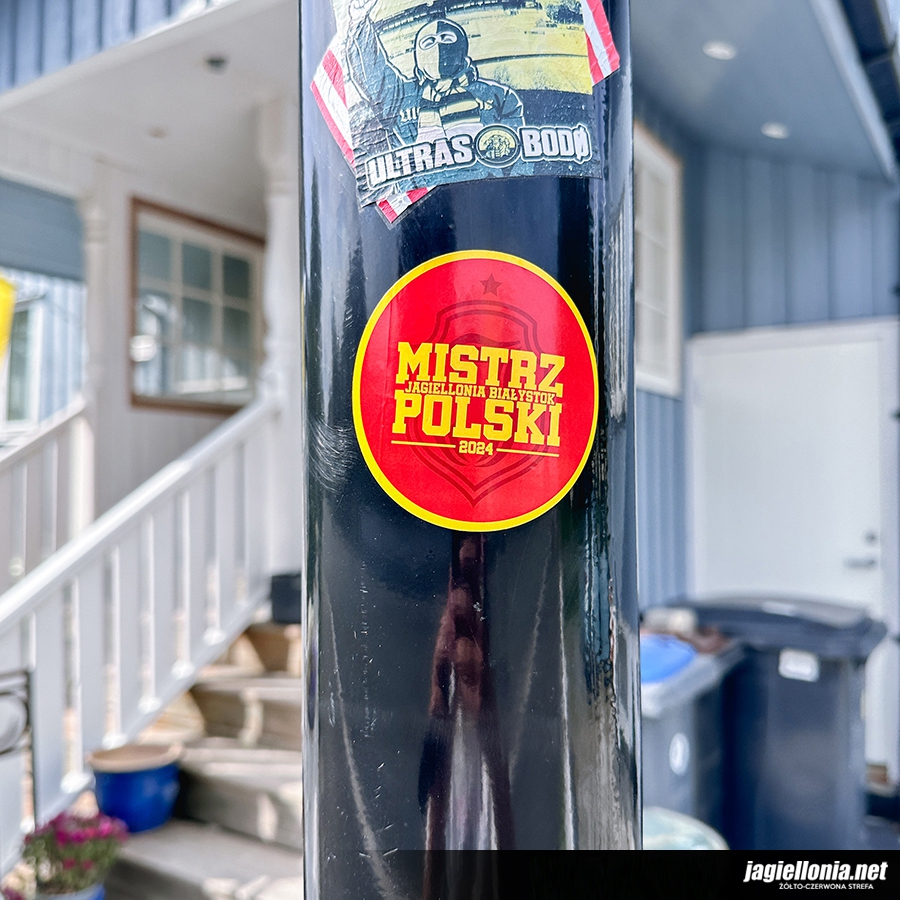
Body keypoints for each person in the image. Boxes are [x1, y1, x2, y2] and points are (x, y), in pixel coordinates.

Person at [346, 1, 525, 147]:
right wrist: (360, 23)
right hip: (423, 178)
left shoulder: (496, 95)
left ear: (461, 46)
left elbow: (516, 149)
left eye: (446, 38)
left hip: (487, 177)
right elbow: (374, 73)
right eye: (429, 41)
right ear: (418, 54)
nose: (438, 47)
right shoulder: (403, 96)